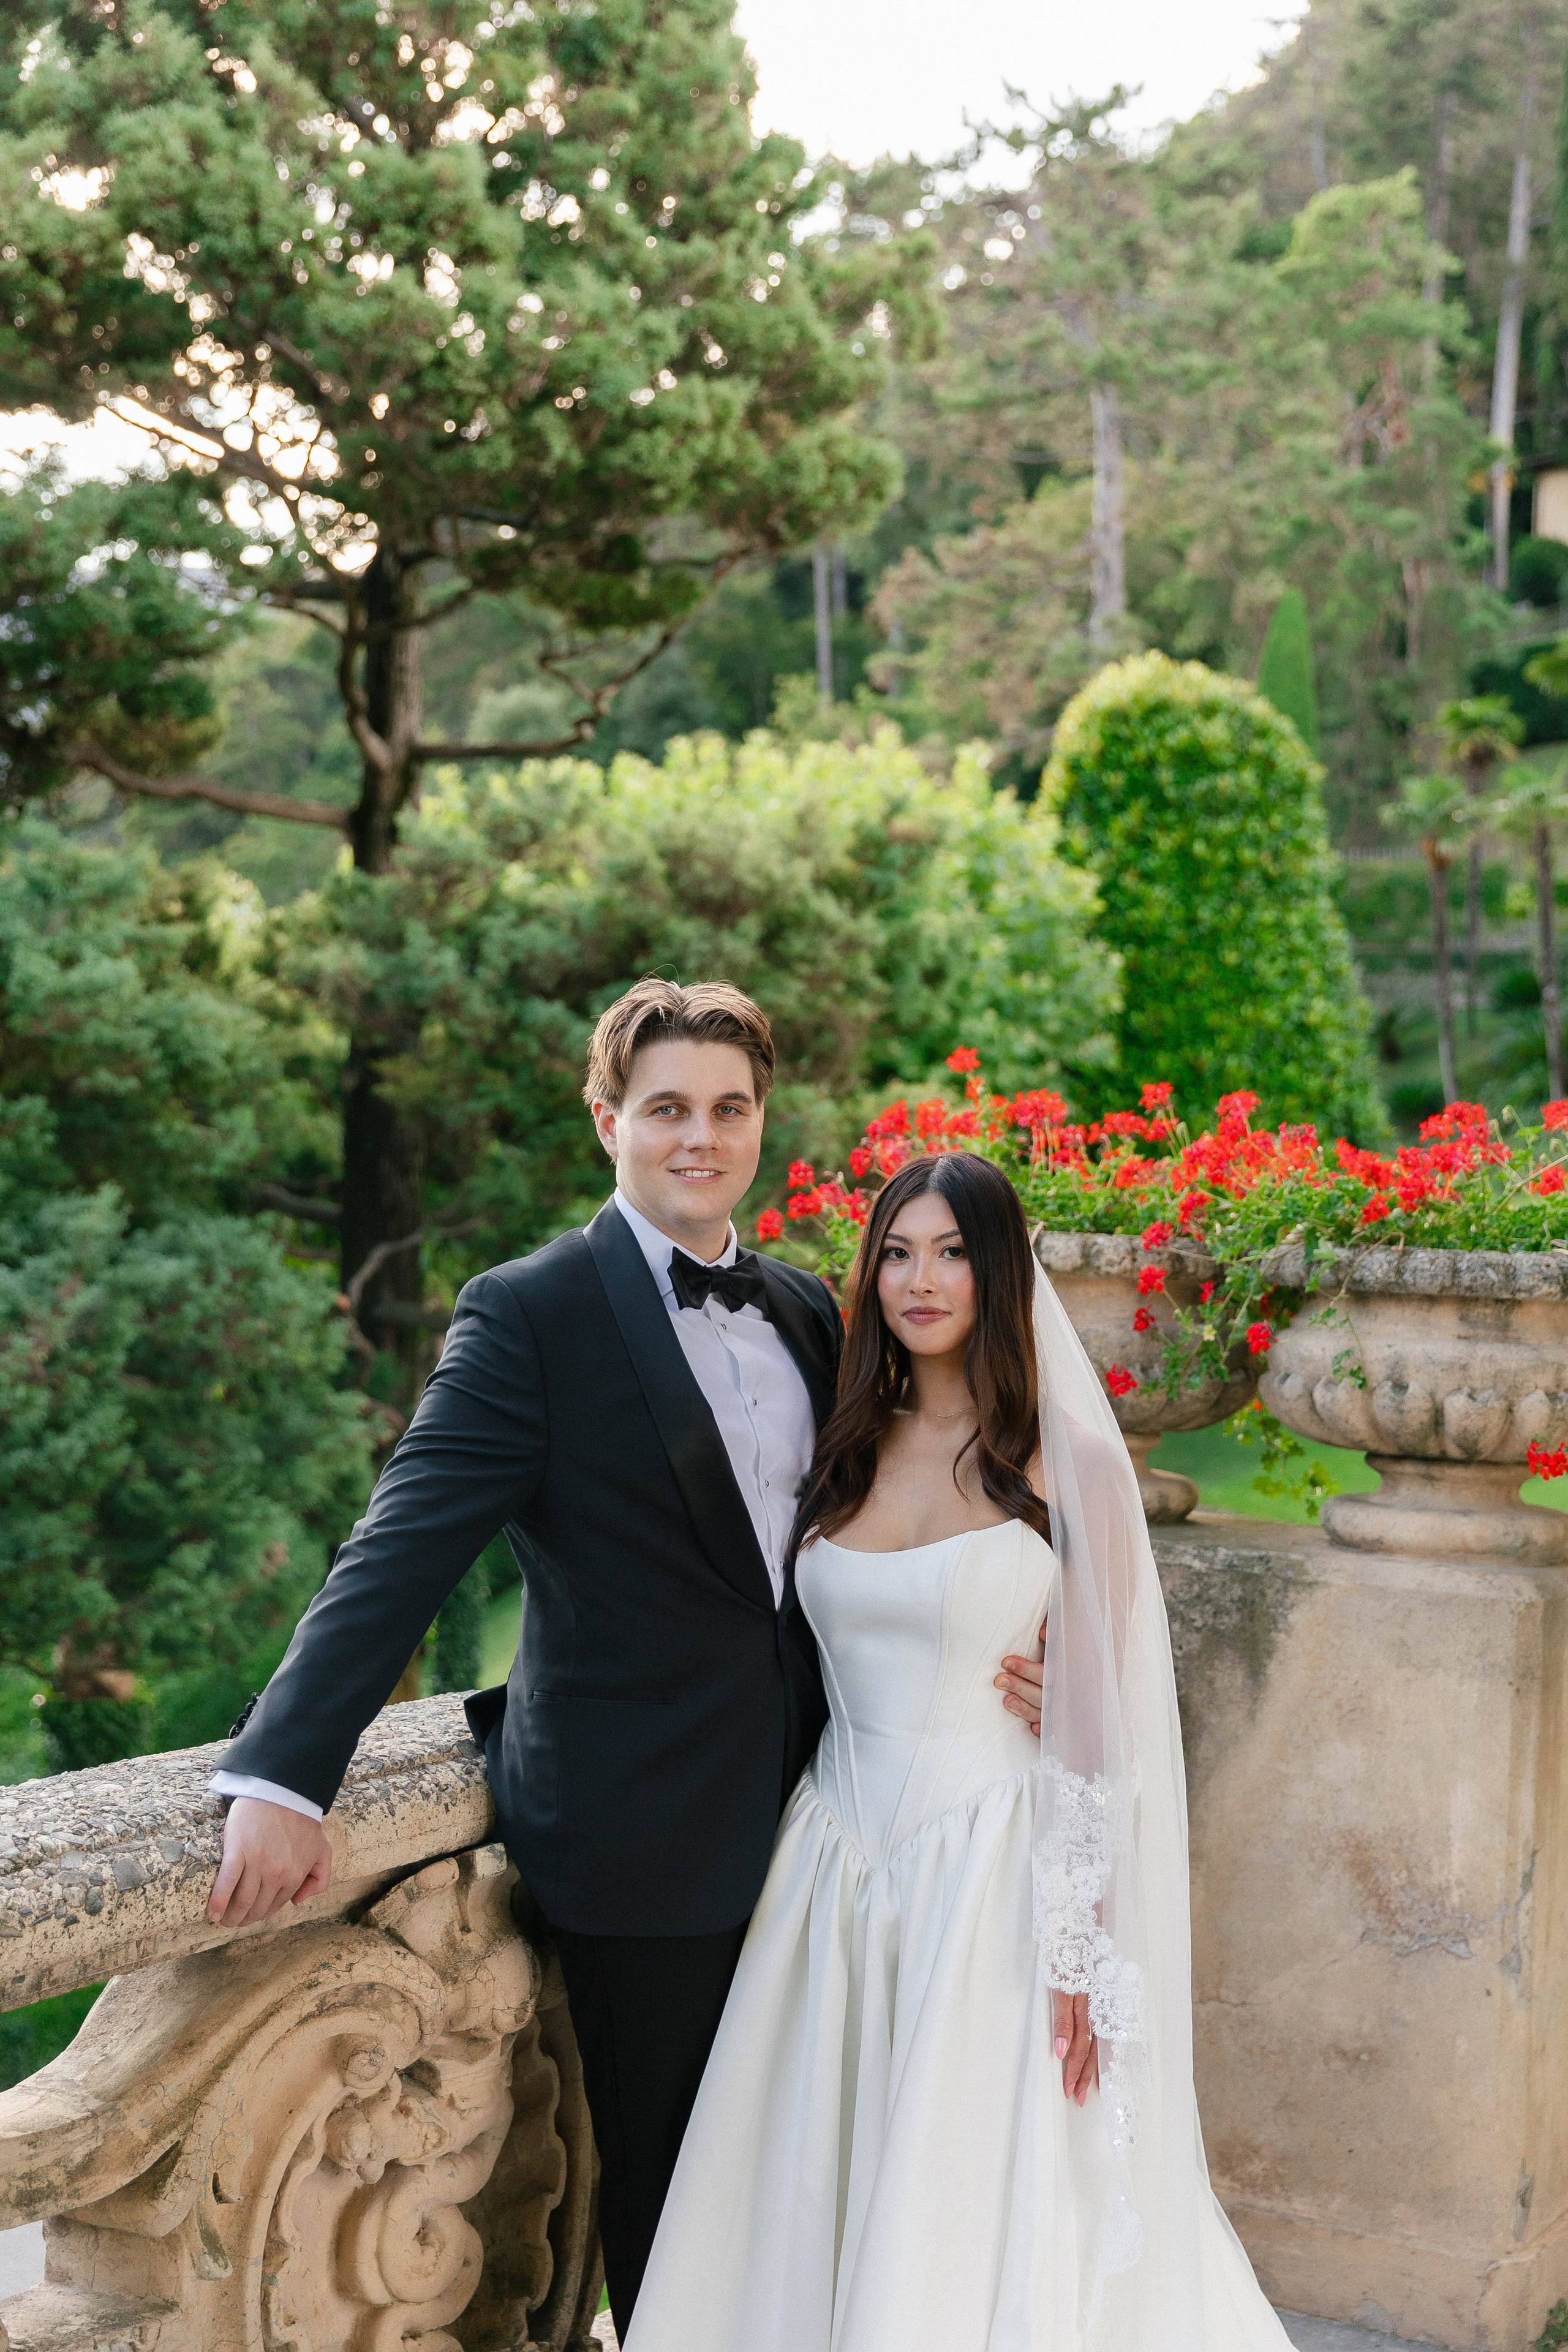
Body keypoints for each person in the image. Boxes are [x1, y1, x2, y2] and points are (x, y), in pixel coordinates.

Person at [205, 978, 1047, 2340]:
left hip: (832, 1824)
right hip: (640, 1836)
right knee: (683, 2208)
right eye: (666, 1110)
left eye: (727, 1109)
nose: (698, 1138)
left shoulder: (801, 1309)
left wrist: (1043, 1642)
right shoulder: (526, 1314)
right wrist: (283, 1776)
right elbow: (399, 1546)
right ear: (608, 1119)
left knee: (820, 2180)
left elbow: (939, 1501)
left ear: (761, 1122)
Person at [624, 1148, 1294, 2352]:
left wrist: (1088, 1941)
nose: (916, 1279)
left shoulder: (1064, 1460)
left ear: (994, 1272)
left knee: (962, 2180)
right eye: (894, 1251)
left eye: (947, 1253)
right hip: (828, 1860)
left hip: (988, 1868)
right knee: (801, 2182)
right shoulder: (841, 1443)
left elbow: (1112, 1712)